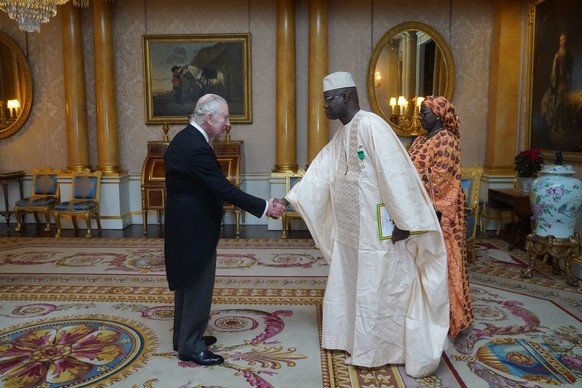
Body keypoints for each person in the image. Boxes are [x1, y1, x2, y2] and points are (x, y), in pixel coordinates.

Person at [277, 72, 450, 377]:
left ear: (347, 97)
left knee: (379, 286)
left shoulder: (372, 126)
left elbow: (396, 175)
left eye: (329, 100)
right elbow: (319, 172)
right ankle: (353, 339)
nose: (326, 107)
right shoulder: (342, 134)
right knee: (356, 284)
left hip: (379, 232)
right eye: (324, 100)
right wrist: (287, 201)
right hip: (350, 232)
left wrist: (406, 222)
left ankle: (383, 347)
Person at [164, 94, 285, 366]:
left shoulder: (186, 138)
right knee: (197, 285)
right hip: (194, 229)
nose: (228, 123)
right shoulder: (196, 147)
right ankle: (191, 346)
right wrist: (266, 207)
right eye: (225, 118)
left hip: (184, 225)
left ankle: (183, 337)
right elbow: (223, 188)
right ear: (209, 119)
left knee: (186, 283)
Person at [408, 95, 474, 339]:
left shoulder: (447, 139)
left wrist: (413, 178)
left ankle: (446, 318)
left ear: (437, 115)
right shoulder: (420, 139)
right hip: (418, 208)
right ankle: (423, 314)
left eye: (424, 113)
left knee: (441, 263)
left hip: (440, 212)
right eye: (420, 113)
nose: (420, 117)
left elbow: (442, 179)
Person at [541, 32, 572, 134]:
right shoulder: (557, 55)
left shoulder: (567, 54)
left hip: (565, 83)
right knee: (557, 105)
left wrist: (567, 78)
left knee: (563, 105)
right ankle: (555, 126)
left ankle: (560, 126)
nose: (562, 42)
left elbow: (569, 69)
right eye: (561, 40)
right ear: (559, 42)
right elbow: (554, 71)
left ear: (566, 41)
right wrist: (554, 82)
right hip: (558, 83)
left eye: (564, 40)